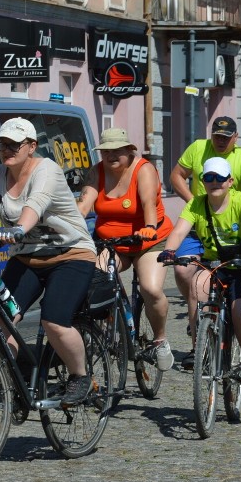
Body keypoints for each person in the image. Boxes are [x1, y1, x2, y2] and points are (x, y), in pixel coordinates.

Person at [0, 117, 97, 405]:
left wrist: (18, 229)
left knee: (54, 320)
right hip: (27, 258)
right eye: (2, 144)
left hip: (70, 254)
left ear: (31, 146)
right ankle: (7, 383)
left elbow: (35, 204)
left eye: (15, 144)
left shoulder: (47, 170)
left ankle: (80, 377)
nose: (7, 149)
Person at [158, 157, 241, 387]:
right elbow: (179, 231)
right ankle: (200, 350)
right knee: (197, 289)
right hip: (215, 264)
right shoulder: (197, 203)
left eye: (220, 178)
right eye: (209, 177)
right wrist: (169, 250)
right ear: (202, 181)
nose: (214, 182)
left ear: (230, 181)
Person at [77, 127, 175, 371]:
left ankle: (160, 339)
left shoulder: (144, 170)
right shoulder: (96, 172)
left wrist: (149, 227)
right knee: (95, 278)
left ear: (129, 150)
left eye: (117, 150)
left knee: (150, 288)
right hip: (112, 242)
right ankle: (102, 330)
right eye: (106, 151)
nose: (111, 155)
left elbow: (148, 202)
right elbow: (84, 204)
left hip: (148, 241)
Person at [169, 116, 241, 360]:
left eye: (226, 137)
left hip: (231, 228)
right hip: (200, 224)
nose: (221, 140)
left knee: (238, 306)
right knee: (185, 274)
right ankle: (198, 334)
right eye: (217, 136)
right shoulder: (198, 148)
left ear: (235, 137)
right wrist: (196, 205)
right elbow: (176, 175)